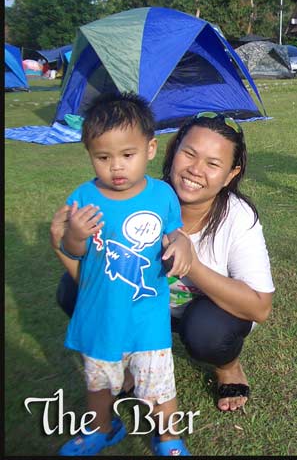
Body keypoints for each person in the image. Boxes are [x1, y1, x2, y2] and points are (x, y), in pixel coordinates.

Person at [52, 110, 274, 417]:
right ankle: (128, 359)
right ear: (172, 150)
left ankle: (228, 367)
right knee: (71, 291)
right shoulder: (140, 200)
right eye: (189, 154)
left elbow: (260, 308)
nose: (195, 170)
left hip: (205, 314)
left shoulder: (238, 218)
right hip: (146, 307)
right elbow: (101, 280)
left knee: (207, 330)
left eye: (212, 164)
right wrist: (62, 245)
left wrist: (192, 264)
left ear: (230, 175)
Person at [54, 93, 192, 456]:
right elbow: (73, 251)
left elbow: (174, 232)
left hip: (147, 315)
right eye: (103, 157)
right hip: (100, 314)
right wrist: (75, 234)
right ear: (90, 154)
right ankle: (101, 429)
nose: (116, 167)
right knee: (99, 382)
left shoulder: (162, 195)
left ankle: (168, 437)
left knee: (159, 385)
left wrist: (182, 244)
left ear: (150, 149)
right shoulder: (84, 197)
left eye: (127, 155)